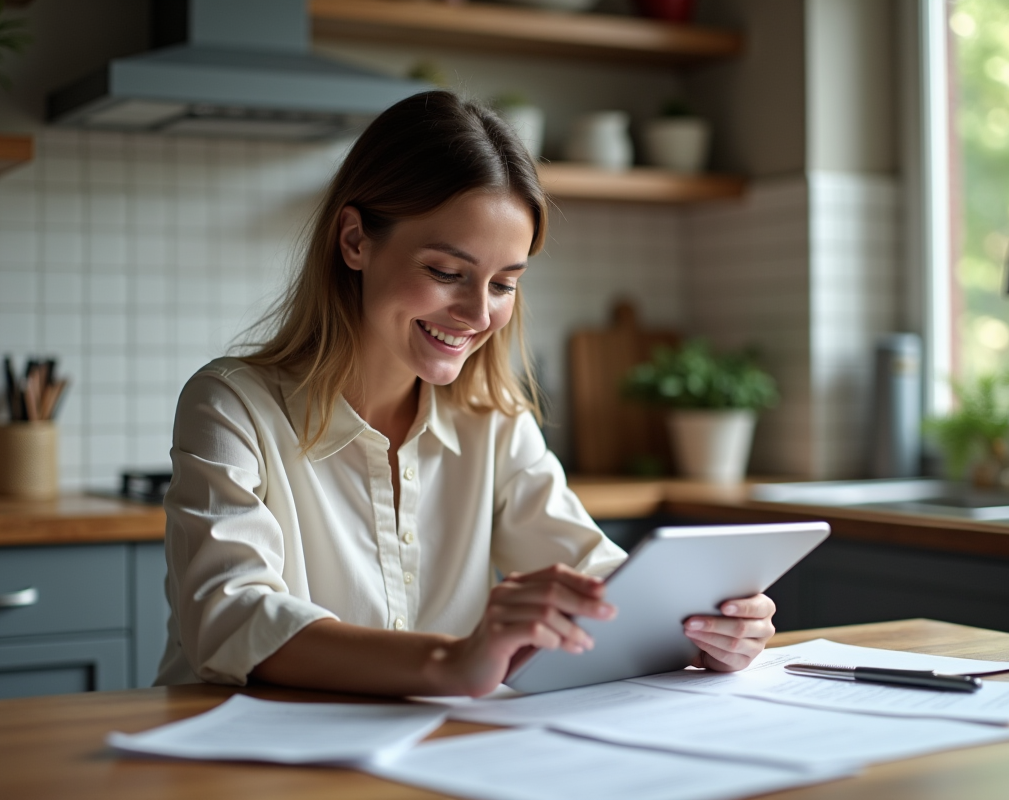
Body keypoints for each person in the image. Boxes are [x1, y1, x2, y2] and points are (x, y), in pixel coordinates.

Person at [156, 90, 776, 698]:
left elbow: (598, 581)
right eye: (446, 272)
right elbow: (229, 616)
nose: (478, 314)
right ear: (354, 241)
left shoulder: (495, 422)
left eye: (503, 284)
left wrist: (701, 624)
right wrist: (451, 662)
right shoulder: (232, 406)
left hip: (434, 749)